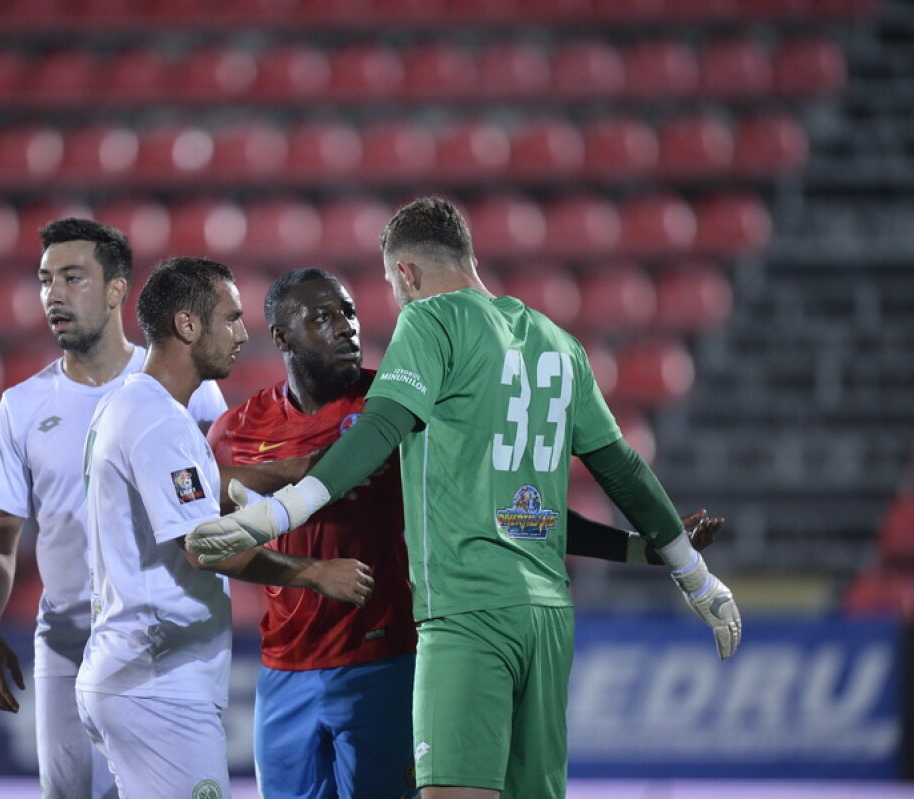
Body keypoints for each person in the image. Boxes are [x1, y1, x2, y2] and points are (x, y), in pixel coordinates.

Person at [187, 198, 742, 799]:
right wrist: (686, 568)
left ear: (405, 274)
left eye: (366, 301)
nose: (352, 325)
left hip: (458, 616)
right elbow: (616, 472)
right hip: (542, 614)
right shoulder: (558, 342)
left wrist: (276, 511)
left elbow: (376, 432)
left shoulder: (428, 329)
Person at [77, 256, 374, 798]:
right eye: (230, 318)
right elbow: (206, 548)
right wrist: (315, 573)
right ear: (188, 325)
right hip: (158, 679)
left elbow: (195, 486)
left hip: (132, 671)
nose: (241, 334)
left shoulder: (136, 404)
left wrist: (294, 469)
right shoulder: (159, 421)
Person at [0, 218, 228, 799]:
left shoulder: (185, 387)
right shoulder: (21, 407)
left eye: (72, 277)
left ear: (116, 290)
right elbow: (1, 536)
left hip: (162, 642)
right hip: (68, 639)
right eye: (45, 280)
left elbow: (224, 491)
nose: (53, 295)